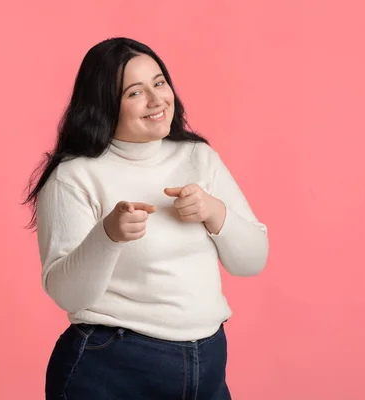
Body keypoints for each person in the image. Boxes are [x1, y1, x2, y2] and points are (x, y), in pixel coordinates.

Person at [24, 37, 269, 400]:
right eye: (135, 93)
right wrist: (108, 236)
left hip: (209, 363)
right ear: (104, 105)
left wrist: (215, 213)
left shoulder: (199, 157)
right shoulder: (74, 176)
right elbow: (67, 295)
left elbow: (252, 261)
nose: (157, 100)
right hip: (113, 366)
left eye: (159, 82)